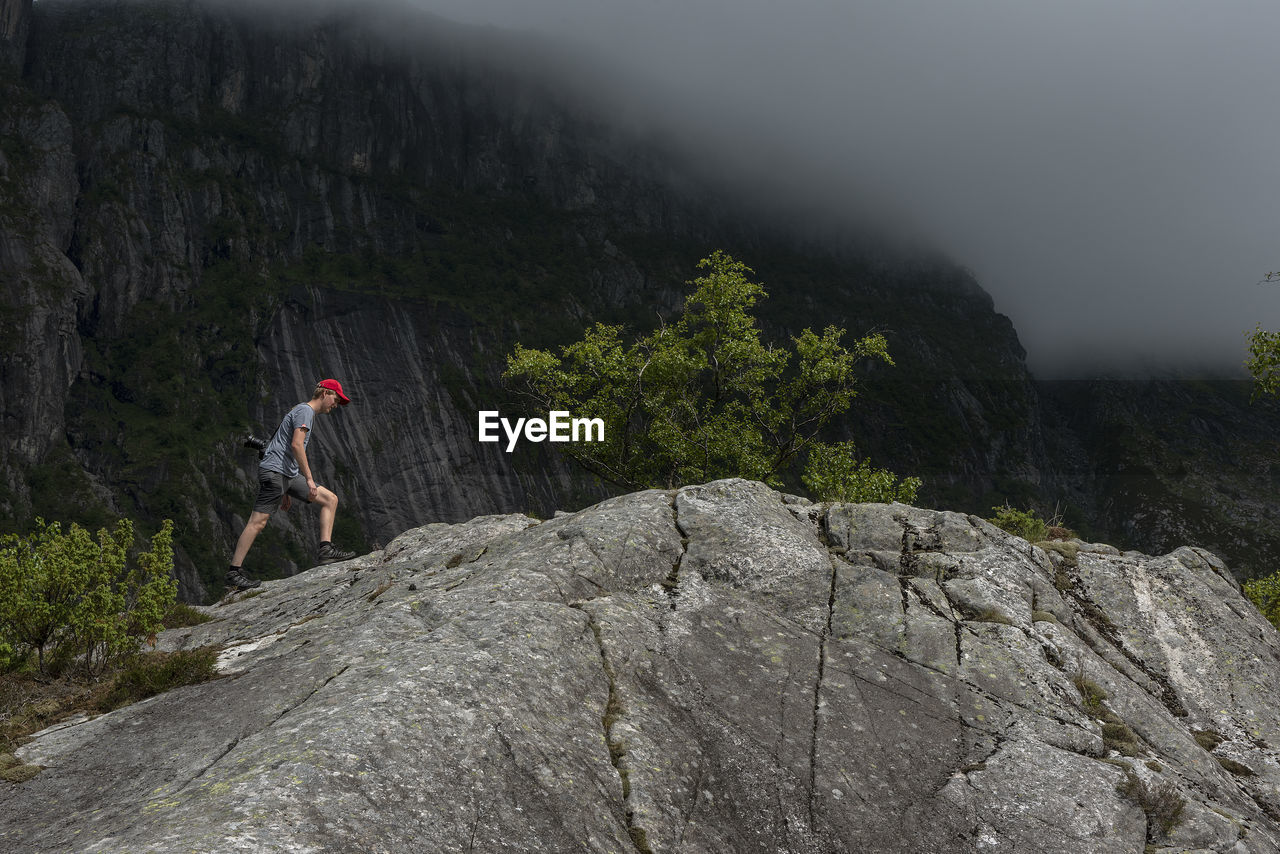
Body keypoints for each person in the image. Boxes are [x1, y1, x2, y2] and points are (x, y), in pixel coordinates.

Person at [226, 379, 357, 590]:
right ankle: (234, 572)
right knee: (257, 522)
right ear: (325, 393)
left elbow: (282, 444)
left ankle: (326, 549)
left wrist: (286, 490)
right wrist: (309, 479)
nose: (336, 404)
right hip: (275, 472)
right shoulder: (305, 411)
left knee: (330, 499)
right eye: (336, 398)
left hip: (284, 474)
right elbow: (296, 445)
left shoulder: (302, 412)